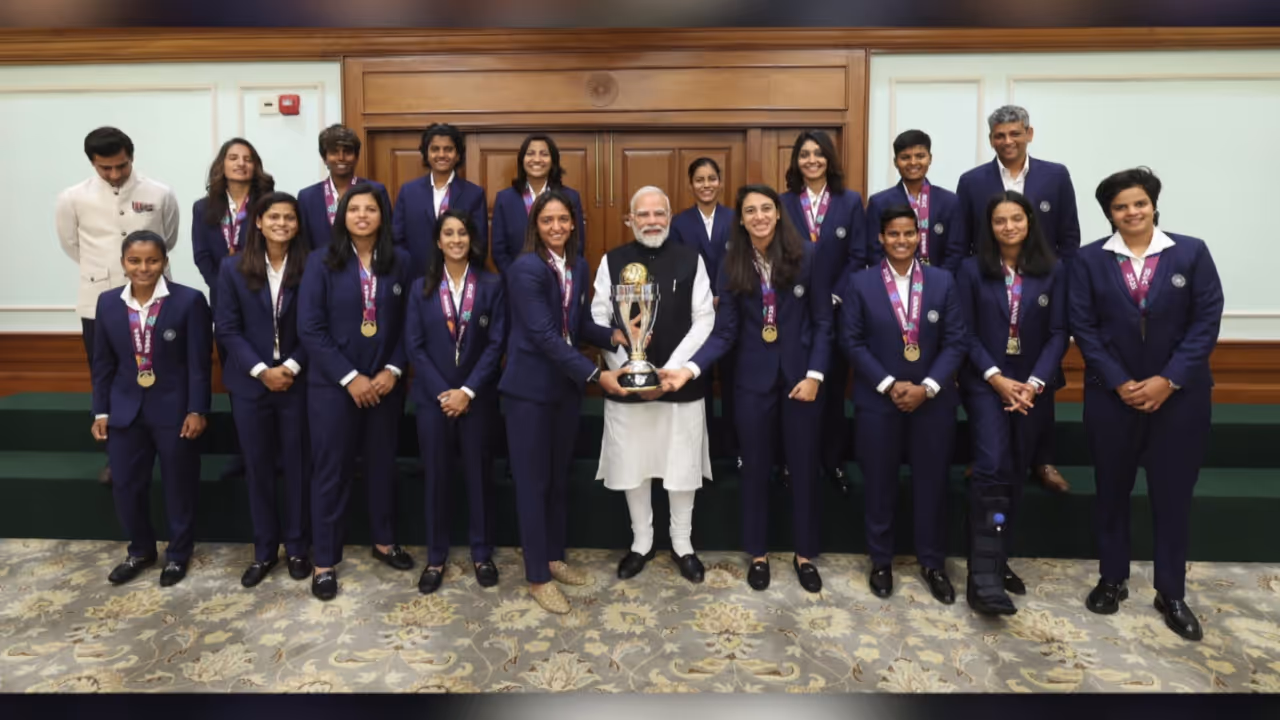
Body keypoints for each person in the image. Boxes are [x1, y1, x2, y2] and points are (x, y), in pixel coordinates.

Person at [1069, 167, 1222, 641]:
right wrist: (1120, 383)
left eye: (1139, 203)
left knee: (1172, 496)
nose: (1131, 213)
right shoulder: (1089, 259)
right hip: (1111, 399)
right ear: (1109, 214)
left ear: (1153, 204)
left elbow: (1206, 321)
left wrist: (1167, 381)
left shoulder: (1190, 252)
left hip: (1180, 400)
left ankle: (1170, 591)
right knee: (1111, 492)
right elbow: (1083, 326)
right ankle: (1112, 578)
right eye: (1120, 207)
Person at [666, 183, 832, 594]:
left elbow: (825, 323)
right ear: (740, 219)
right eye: (750, 211)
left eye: (766, 209)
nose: (758, 216)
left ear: (778, 213)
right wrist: (689, 369)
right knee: (755, 469)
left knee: (804, 468)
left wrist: (815, 376)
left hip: (801, 382)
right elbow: (724, 333)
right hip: (751, 383)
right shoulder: (732, 262)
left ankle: (805, 554)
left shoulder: (807, 255)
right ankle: (757, 553)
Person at [499, 189, 624, 614]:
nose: (556, 227)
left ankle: (554, 558)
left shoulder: (577, 265)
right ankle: (537, 577)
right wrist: (596, 374)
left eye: (563, 220)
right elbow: (544, 335)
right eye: (547, 220)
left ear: (573, 224)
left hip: (563, 392)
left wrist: (614, 336)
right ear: (536, 225)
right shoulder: (526, 269)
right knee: (533, 485)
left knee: (556, 480)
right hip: (529, 394)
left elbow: (576, 323)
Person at [839, 205, 966, 605]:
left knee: (932, 484)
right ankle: (881, 560)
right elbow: (851, 341)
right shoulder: (860, 284)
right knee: (879, 484)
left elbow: (956, 341)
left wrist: (926, 387)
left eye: (908, 234)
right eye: (893, 234)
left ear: (919, 236)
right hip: (879, 401)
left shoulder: (943, 282)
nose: (901, 240)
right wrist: (891, 384)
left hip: (932, 402)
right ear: (881, 238)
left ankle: (932, 562)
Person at [591, 186, 714, 584]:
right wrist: (630, 370)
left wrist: (673, 371)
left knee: (681, 465)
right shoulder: (613, 261)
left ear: (670, 217)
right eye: (642, 215)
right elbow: (599, 319)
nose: (651, 221)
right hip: (630, 388)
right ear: (630, 220)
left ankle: (682, 543)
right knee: (635, 466)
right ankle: (641, 542)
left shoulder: (691, 259)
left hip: (679, 386)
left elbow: (704, 319)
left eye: (658, 213)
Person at [298, 183, 415, 601]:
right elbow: (310, 328)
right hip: (333, 388)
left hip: (386, 384)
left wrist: (393, 369)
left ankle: (384, 541)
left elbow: (410, 324)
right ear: (342, 215)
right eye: (354, 209)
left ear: (382, 215)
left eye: (371, 209)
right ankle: (325, 560)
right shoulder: (320, 262)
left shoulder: (400, 261)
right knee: (331, 471)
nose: (362, 215)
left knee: (383, 465)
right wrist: (350, 378)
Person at [956, 190, 1068, 615]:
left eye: (1016, 219)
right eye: (1000, 221)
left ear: (1029, 222)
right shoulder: (970, 270)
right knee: (991, 465)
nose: (1008, 227)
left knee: (1017, 468)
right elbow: (964, 332)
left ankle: (998, 559)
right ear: (990, 227)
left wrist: (1033, 383)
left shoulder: (1053, 270)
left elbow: (1059, 332)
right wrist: (998, 379)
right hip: (987, 382)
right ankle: (981, 573)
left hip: (1032, 386)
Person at [957, 105, 1080, 493]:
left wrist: (1058, 287)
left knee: (1040, 380)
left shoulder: (1055, 176)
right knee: (989, 386)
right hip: (991, 286)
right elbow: (962, 241)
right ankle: (987, 458)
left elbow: (1070, 238)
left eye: (1015, 133)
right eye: (999, 135)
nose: (1007, 141)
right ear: (990, 139)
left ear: (1029, 133)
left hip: (1040, 289)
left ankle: (1042, 461)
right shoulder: (973, 181)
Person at [57, 127, 179, 485]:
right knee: (106, 376)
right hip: (99, 300)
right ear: (92, 163)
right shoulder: (72, 198)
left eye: (121, 166)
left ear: (132, 156)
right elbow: (70, 244)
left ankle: (167, 449)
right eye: (104, 168)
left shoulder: (159, 193)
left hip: (156, 299)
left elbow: (167, 238)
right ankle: (116, 456)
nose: (114, 174)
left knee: (163, 370)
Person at [90, 230, 210, 587]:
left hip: (175, 411)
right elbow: (102, 364)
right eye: (135, 260)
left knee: (179, 484)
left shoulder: (188, 301)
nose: (144, 268)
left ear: (165, 261)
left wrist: (197, 409)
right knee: (126, 485)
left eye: (152, 260)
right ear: (124, 263)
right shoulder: (108, 302)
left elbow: (200, 363)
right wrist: (100, 411)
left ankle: (178, 554)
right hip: (125, 411)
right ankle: (140, 550)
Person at [404, 210, 506, 594]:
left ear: (472, 239)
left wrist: (468, 392)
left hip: (477, 400)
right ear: (438, 240)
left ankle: (482, 553)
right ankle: (436, 556)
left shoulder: (492, 285)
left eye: (462, 233)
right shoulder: (421, 288)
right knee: (437, 478)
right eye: (448, 233)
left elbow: (497, 343)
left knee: (480, 478)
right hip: (434, 400)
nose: (456, 239)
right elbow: (414, 345)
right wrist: (445, 392)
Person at [214, 192, 313, 588]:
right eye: (274, 217)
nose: (282, 224)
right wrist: (261, 370)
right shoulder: (232, 267)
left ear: (298, 224)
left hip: (298, 381)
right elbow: (227, 328)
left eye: (289, 218)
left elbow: (319, 324)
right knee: (257, 467)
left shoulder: (313, 265)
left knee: (298, 466)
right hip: (250, 385)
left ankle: (299, 546)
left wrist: (288, 366)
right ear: (258, 222)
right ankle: (264, 550)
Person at [779, 130, 865, 491]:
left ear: (829, 158)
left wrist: (833, 296)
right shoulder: (782, 203)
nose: (811, 160)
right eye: (804, 154)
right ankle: (790, 462)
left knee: (830, 390)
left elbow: (859, 255)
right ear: (796, 161)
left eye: (818, 153)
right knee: (793, 387)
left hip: (837, 311)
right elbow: (776, 256)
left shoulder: (849, 201)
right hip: (794, 312)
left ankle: (833, 461)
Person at [668, 157, 737, 458]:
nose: (706, 185)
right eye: (700, 179)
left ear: (720, 182)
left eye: (711, 178)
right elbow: (677, 264)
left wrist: (722, 292)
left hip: (732, 310)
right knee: (700, 382)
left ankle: (736, 450)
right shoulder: (680, 223)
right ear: (690, 185)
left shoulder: (736, 218)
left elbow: (739, 263)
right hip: (694, 314)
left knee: (734, 382)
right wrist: (705, 296)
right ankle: (701, 452)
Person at [393, 123, 489, 277]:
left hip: (460, 281)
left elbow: (479, 243)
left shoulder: (474, 194)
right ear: (426, 154)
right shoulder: (408, 191)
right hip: (416, 279)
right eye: (435, 149)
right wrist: (408, 269)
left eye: (448, 149)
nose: (442, 154)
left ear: (458, 155)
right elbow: (397, 239)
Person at [865, 130, 968, 273]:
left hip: (940, 287)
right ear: (895, 162)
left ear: (930, 158)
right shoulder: (879, 203)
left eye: (920, 156)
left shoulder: (950, 201)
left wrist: (940, 283)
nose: (913, 162)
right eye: (905, 157)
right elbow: (874, 252)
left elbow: (956, 251)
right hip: (892, 286)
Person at [491, 133, 587, 274]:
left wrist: (563, 276)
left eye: (544, 154)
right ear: (522, 160)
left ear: (553, 160)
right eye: (530, 154)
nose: (537, 159)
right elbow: (499, 250)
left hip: (560, 279)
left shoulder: (570, 197)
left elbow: (577, 244)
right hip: (517, 281)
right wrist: (515, 278)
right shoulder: (505, 199)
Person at [297, 124, 392, 251]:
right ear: (324, 158)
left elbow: (387, 235)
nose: (341, 158)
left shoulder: (376, 191)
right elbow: (304, 244)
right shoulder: (307, 197)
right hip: (323, 268)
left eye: (347, 152)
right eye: (334, 152)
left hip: (368, 267)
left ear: (356, 157)